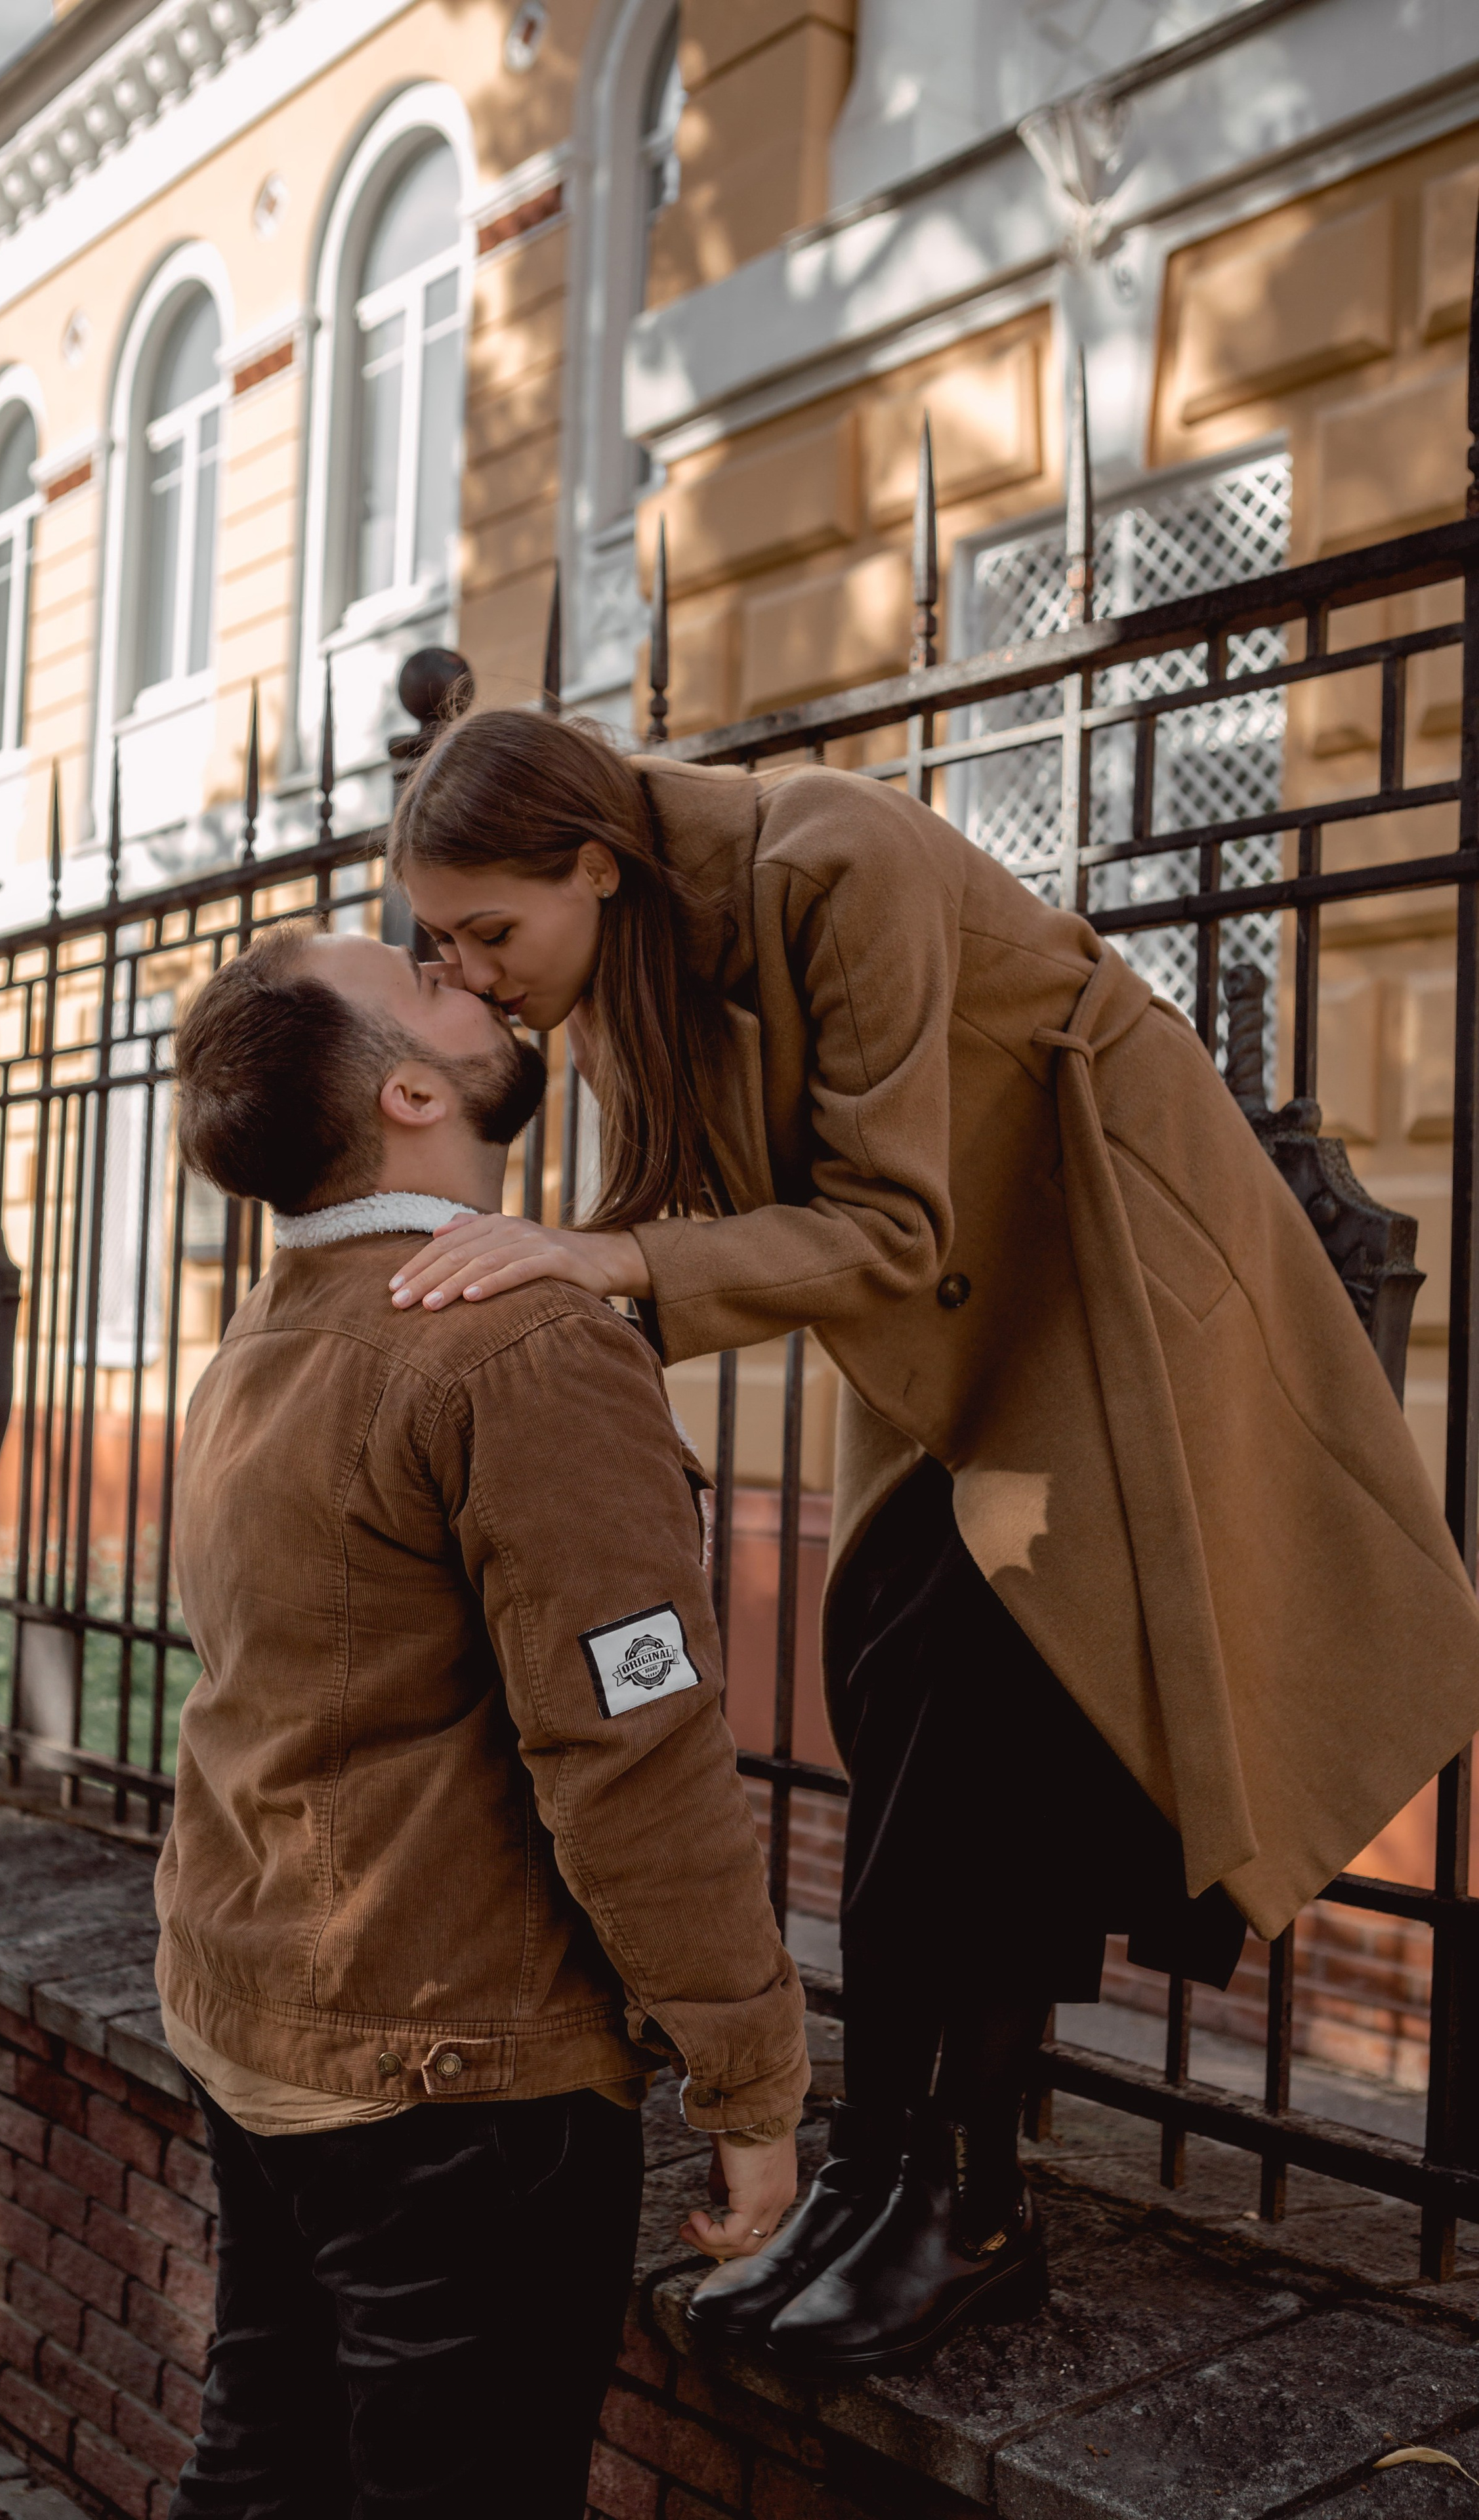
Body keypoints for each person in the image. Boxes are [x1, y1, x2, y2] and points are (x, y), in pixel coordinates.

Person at [385, 707, 1479, 2380]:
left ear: (593, 864)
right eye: (433, 943)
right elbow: (659, 1235)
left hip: (1103, 1290)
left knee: (978, 1717)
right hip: (955, 1349)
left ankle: (967, 2212)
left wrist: (599, 1272)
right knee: (887, 1690)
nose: (467, 973)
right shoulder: (632, 990)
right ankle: (883, 2175)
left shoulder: (833, 858)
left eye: (487, 932)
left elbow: (884, 1229)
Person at [157, 919, 808, 2519]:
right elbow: (633, 1740)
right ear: (406, 1096)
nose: (475, 979)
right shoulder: (518, 1347)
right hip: (450, 2089)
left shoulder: (267, 1338)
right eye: (425, 980)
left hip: (258, 2025)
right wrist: (751, 2081)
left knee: (263, 2466)